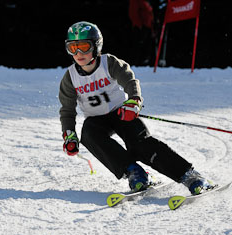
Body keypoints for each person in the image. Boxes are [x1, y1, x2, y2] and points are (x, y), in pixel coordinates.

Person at [58, 21, 213, 195]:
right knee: (88, 134)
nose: (78, 53)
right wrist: (69, 135)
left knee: (140, 144)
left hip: (122, 113)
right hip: (96, 120)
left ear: (96, 46)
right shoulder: (70, 77)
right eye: (73, 48)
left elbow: (129, 81)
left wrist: (134, 101)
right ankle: (134, 172)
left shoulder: (109, 63)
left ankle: (189, 176)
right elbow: (67, 110)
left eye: (84, 47)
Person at [128, 0, 156, 66]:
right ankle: (137, 63)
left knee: (147, 46)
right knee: (139, 46)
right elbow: (133, 13)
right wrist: (139, 25)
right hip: (140, 27)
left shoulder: (145, 0)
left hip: (148, 26)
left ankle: (145, 63)